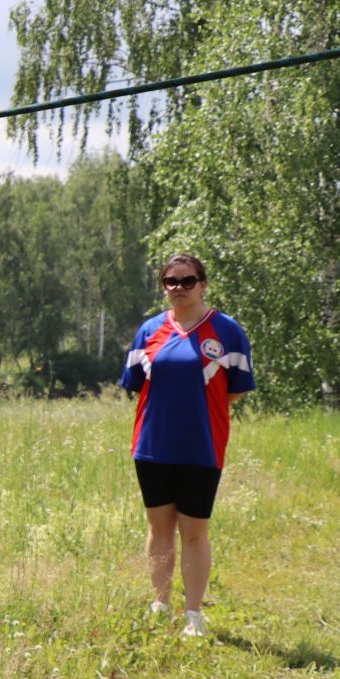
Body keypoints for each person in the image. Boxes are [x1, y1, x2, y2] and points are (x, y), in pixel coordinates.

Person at [121, 253, 254, 638]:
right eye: (170, 281)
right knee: (159, 528)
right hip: (152, 446)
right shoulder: (148, 331)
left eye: (187, 280)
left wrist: (199, 411)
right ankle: (160, 605)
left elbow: (234, 393)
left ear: (203, 284)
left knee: (194, 531)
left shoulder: (227, 332)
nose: (178, 288)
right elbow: (135, 385)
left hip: (202, 446)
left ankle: (193, 615)